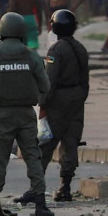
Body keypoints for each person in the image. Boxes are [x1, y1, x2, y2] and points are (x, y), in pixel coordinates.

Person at [0, 12, 53, 216]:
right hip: (26, 113)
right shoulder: (31, 55)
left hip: (1, 115)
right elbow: (45, 86)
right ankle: (40, 203)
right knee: (32, 156)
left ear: (1, 31)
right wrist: (35, 100)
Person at [36, 10, 89, 202]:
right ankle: (65, 187)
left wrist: (43, 105)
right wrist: (79, 98)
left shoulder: (55, 50)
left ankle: (37, 189)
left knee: (46, 144)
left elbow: (49, 81)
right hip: (76, 99)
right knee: (71, 142)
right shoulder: (81, 48)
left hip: (58, 101)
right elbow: (85, 82)